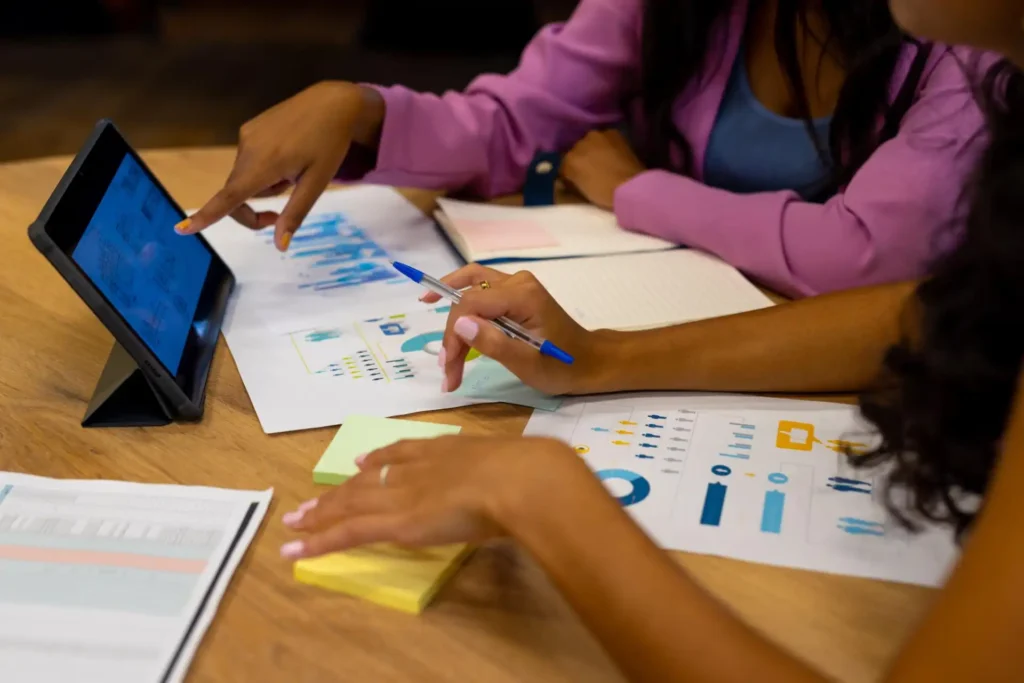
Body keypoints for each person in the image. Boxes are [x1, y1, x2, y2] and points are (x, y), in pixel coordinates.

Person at [278, 1, 1024, 680]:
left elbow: (876, 266)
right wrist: (601, 357)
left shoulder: (957, 59)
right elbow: (914, 310)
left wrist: (545, 494)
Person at [179, 0, 992, 297]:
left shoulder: (964, 26)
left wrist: (638, 189)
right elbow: (516, 119)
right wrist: (360, 109)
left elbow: (869, 257)